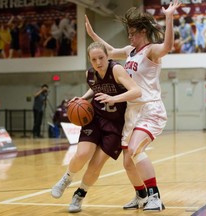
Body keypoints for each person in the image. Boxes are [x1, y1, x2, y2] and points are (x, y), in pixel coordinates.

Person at [85, 0, 181, 211]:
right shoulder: (130, 51)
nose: (129, 37)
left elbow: (168, 46)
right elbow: (108, 51)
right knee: (128, 162)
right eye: (128, 33)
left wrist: (169, 17)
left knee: (136, 150)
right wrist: (93, 35)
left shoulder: (151, 51)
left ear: (143, 31)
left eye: (132, 33)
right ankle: (141, 196)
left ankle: (155, 197)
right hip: (132, 111)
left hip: (150, 108)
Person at [51, 41, 141, 213]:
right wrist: (82, 99)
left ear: (107, 56)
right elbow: (94, 88)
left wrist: (114, 98)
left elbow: (136, 91)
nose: (98, 62)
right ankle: (66, 178)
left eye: (101, 58)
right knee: (82, 153)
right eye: (94, 59)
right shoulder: (90, 73)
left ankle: (79, 195)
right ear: (90, 61)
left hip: (115, 124)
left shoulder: (116, 70)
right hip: (96, 118)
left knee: (96, 164)